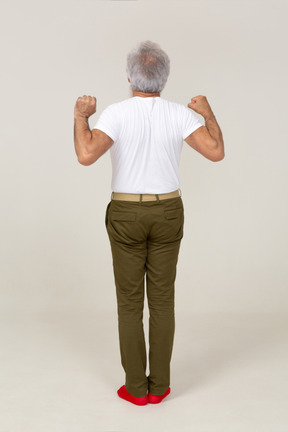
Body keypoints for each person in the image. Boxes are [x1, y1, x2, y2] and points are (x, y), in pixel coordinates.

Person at [73, 40, 224, 406]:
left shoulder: (116, 113)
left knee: (129, 304)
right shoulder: (179, 114)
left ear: (129, 77)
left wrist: (81, 116)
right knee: (162, 301)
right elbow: (216, 151)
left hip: (125, 214)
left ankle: (136, 390)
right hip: (168, 211)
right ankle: (160, 387)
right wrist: (207, 112)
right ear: (165, 79)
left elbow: (85, 154)